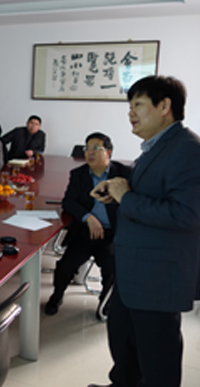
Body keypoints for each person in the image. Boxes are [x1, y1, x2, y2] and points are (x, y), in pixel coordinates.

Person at [88, 76, 200, 387]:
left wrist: (127, 198)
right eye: (129, 106)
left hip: (158, 277)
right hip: (134, 270)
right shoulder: (158, 146)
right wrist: (116, 190)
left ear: (164, 106)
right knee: (123, 343)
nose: (130, 113)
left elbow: (186, 215)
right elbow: (150, 190)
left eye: (138, 104)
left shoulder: (189, 150)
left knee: (157, 361)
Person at [45, 132, 131, 319]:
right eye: (87, 148)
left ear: (108, 152)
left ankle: (105, 303)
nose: (89, 152)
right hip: (85, 232)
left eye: (96, 148)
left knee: (112, 269)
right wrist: (88, 217)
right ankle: (56, 296)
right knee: (65, 266)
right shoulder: (78, 174)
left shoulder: (124, 174)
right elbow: (68, 202)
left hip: (111, 235)